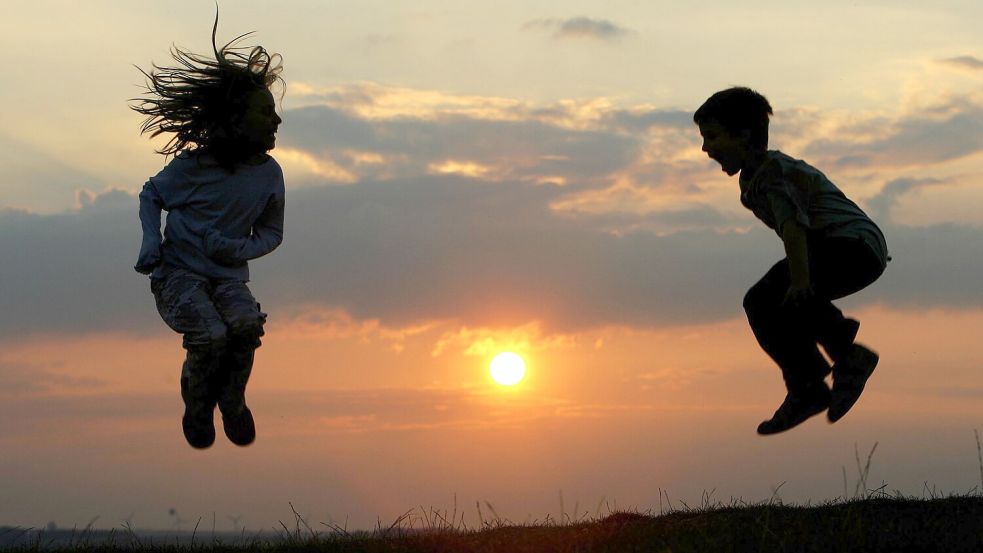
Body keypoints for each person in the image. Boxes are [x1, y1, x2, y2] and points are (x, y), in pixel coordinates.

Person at [693, 87, 889, 435]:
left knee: (764, 299)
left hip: (848, 245)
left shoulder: (770, 174)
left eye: (711, 136)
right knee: (782, 301)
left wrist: (801, 280)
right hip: (855, 247)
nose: (705, 148)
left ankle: (818, 380)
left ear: (743, 136)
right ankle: (828, 370)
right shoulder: (754, 179)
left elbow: (793, 228)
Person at [131, 18, 285, 448]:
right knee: (211, 334)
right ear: (235, 119)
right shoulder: (193, 167)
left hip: (229, 277)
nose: (276, 119)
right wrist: (150, 244)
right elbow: (150, 195)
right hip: (178, 276)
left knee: (244, 325)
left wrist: (240, 246)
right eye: (264, 112)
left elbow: (273, 232)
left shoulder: (269, 175)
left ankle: (233, 402)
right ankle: (198, 405)